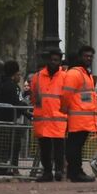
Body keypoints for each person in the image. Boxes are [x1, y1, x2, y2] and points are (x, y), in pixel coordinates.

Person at [27, 46, 69, 182]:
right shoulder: (37, 77)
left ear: (60, 61)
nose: (54, 62)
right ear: (47, 60)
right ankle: (47, 172)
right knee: (45, 148)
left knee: (58, 149)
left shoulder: (65, 77)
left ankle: (58, 171)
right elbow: (34, 97)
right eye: (52, 60)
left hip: (58, 119)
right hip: (43, 119)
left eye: (56, 60)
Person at [61, 50, 97, 182]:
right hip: (78, 118)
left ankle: (75, 171)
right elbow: (67, 95)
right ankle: (76, 172)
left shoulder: (84, 73)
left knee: (76, 146)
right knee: (74, 146)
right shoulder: (75, 74)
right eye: (86, 56)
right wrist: (64, 109)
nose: (89, 58)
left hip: (83, 118)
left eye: (91, 56)